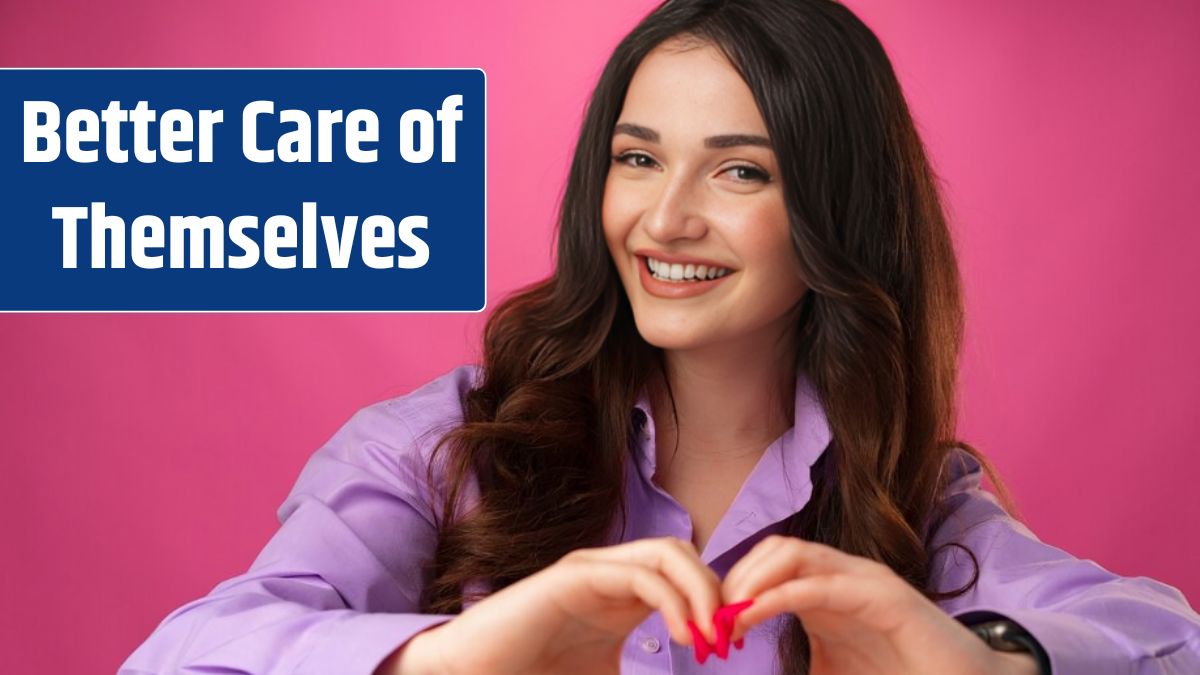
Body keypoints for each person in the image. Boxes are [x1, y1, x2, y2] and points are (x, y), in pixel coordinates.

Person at [119, 1, 1200, 674]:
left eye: (739, 170)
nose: (665, 217)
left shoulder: (915, 497)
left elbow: (1167, 639)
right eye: (637, 159)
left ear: (837, 214)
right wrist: (446, 661)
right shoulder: (440, 448)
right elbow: (176, 659)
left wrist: (990, 664)